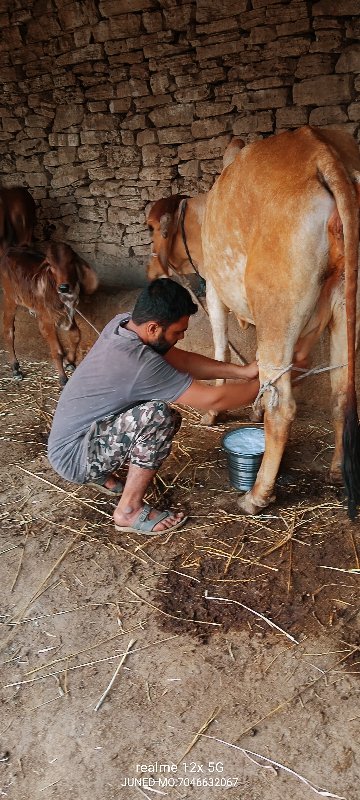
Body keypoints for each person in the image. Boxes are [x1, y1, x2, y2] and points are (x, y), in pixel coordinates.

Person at [48, 279, 259, 535]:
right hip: (74, 458)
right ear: (154, 328)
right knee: (157, 417)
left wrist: (244, 372)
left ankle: (101, 473)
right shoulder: (138, 363)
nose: (181, 337)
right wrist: (268, 383)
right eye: (178, 332)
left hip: (75, 441)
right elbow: (214, 400)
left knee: (163, 415)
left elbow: (181, 360)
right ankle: (128, 510)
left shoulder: (124, 324)